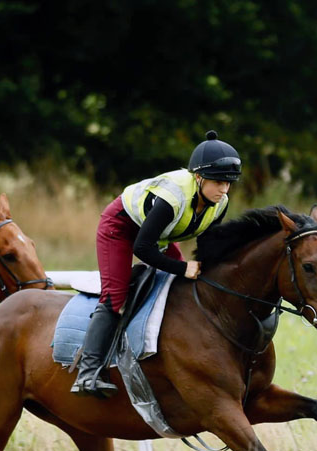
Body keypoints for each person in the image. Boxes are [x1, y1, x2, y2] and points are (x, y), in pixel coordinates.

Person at [71, 130, 242, 397]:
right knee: (116, 295)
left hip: (157, 234)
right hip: (121, 227)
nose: (223, 189)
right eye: (218, 182)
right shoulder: (172, 198)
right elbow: (142, 248)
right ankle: (87, 372)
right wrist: (183, 267)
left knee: (182, 284)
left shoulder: (220, 204)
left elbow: (208, 246)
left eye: (229, 183)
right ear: (198, 177)